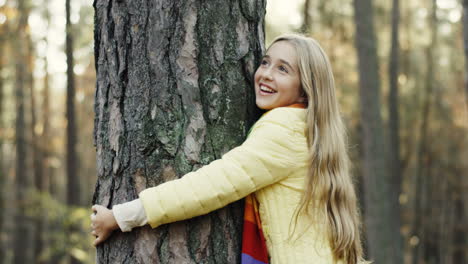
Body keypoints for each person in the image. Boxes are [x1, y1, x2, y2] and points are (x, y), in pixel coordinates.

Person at [91, 33, 367, 264]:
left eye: (283, 69)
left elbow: (212, 185)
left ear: (306, 89)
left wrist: (120, 216)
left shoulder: (284, 129)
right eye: (265, 62)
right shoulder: (308, 129)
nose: (266, 75)